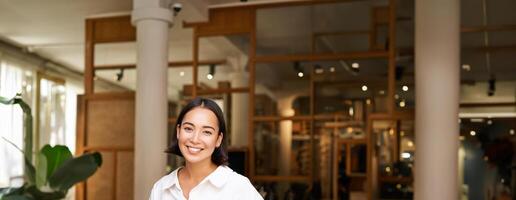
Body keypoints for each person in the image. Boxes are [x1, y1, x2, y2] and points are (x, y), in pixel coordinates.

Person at [149, 97, 263, 200]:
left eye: (207, 132)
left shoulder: (238, 187)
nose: (195, 139)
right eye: (188, 128)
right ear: (178, 131)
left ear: (218, 139)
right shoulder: (161, 188)